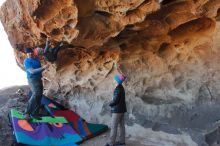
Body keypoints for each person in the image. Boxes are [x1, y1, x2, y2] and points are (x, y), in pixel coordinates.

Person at [23, 48, 48, 120]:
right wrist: (43, 67)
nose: (30, 54)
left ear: (33, 52)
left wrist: (46, 44)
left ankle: (35, 113)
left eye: (31, 52)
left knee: (39, 96)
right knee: (36, 94)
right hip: (32, 79)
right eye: (28, 53)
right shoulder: (27, 61)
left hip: (38, 79)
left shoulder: (36, 59)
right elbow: (32, 71)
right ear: (26, 54)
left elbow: (42, 51)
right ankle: (27, 113)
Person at [105, 73, 127, 146]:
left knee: (114, 126)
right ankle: (122, 142)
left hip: (117, 110)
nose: (113, 80)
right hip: (122, 109)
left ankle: (111, 143)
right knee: (121, 126)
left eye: (114, 79)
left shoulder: (117, 88)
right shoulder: (121, 87)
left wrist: (110, 104)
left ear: (117, 81)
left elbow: (115, 101)